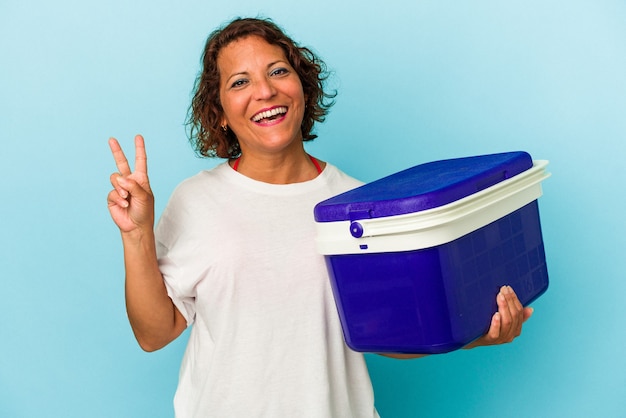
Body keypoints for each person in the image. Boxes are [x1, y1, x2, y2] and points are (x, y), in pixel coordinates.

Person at [107, 17, 533, 417]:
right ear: (219, 111)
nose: (265, 91)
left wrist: (475, 335)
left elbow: (384, 331)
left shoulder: (359, 204)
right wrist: (137, 234)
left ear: (302, 86)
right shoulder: (196, 200)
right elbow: (154, 333)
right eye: (241, 81)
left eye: (277, 72)